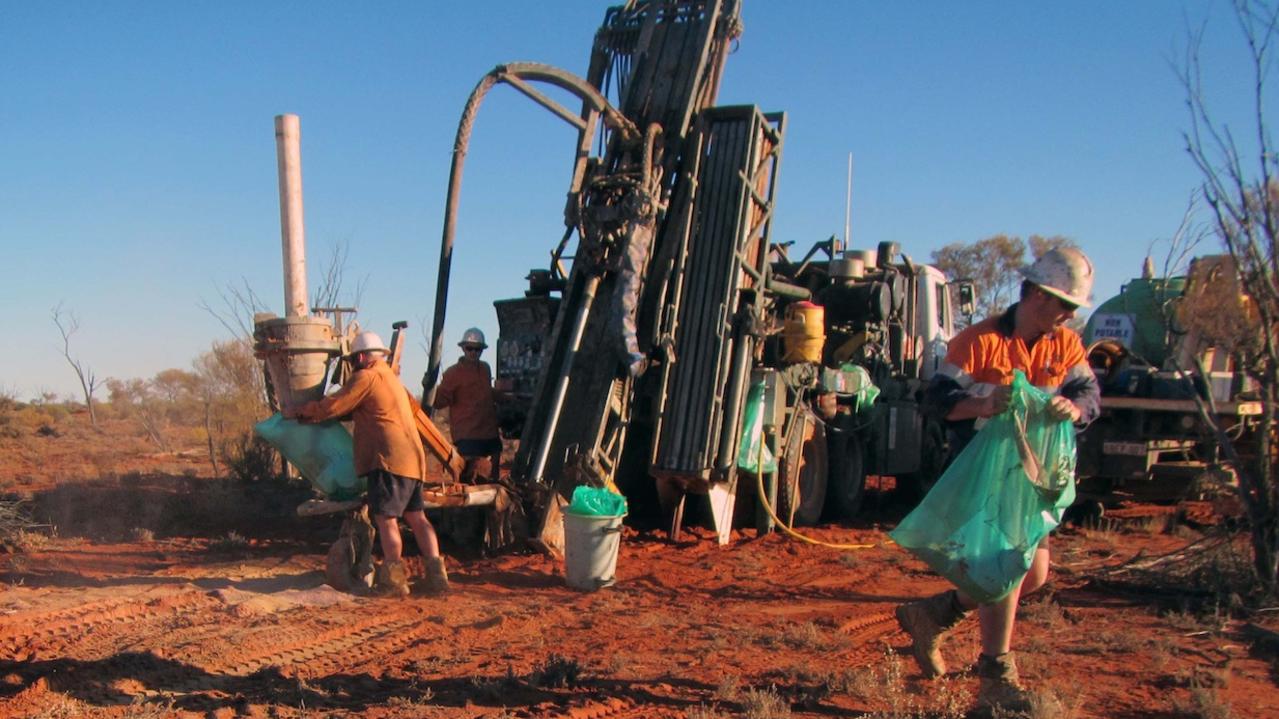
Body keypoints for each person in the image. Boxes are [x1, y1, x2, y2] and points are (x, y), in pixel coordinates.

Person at [895, 247, 1101, 714]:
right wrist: (983, 405)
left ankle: (933, 614)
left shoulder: (1064, 345)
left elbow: (1088, 394)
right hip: (982, 475)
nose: (1068, 316)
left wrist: (1075, 408)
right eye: (1064, 305)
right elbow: (937, 400)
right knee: (1006, 568)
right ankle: (996, 678)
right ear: (1037, 295)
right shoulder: (979, 341)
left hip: (1033, 478)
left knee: (1033, 573)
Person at [290, 331, 449, 597]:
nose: (353, 366)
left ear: (361, 357)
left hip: (388, 460)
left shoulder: (366, 376)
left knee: (386, 519)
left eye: (353, 360)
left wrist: (301, 411)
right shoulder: (390, 378)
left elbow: (334, 406)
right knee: (417, 517)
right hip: (412, 459)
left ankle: (394, 581)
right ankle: (438, 578)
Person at [433, 328, 502, 483]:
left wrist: (508, 397)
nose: (473, 352)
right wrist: (430, 390)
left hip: (489, 433)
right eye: (469, 348)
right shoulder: (453, 374)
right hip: (468, 435)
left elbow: (486, 392)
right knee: (471, 479)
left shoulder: (485, 369)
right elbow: (440, 401)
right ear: (463, 348)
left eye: (477, 349)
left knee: (493, 478)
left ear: (482, 350)